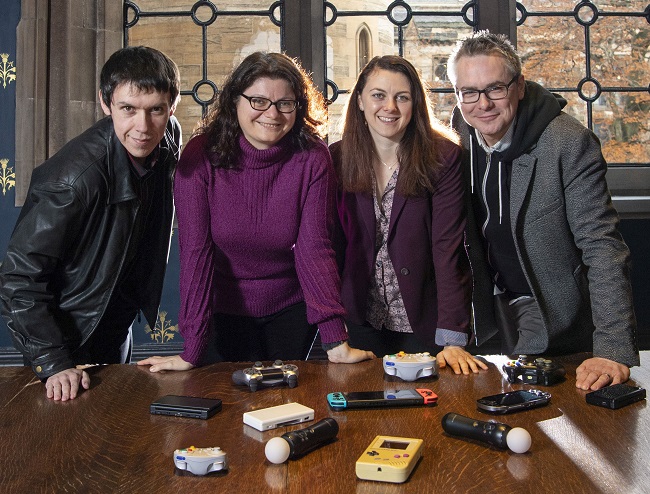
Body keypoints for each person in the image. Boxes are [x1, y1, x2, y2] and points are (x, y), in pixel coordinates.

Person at [138, 52, 373, 374]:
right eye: (259, 101)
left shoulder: (312, 158)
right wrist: (191, 350)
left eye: (284, 103)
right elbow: (195, 253)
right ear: (235, 101)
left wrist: (335, 341)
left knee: (282, 406)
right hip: (221, 308)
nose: (272, 114)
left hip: (290, 307)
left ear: (298, 107)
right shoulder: (201, 156)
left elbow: (314, 248)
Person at [446, 31, 639, 390]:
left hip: (552, 310)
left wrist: (612, 348)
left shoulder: (568, 143)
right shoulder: (460, 129)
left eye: (495, 89)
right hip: (486, 307)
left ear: (519, 86)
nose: (482, 103)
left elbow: (603, 247)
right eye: (468, 92)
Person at [0, 46, 182, 401]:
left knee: (116, 435)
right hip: (66, 337)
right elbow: (17, 277)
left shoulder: (169, 136)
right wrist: (52, 361)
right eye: (128, 109)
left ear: (171, 107)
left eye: (155, 110)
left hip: (115, 320)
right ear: (105, 102)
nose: (142, 127)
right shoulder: (71, 179)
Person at [330, 55, 488, 375]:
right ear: (360, 100)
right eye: (378, 95)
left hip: (423, 322)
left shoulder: (443, 158)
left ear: (415, 104)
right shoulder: (336, 158)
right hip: (359, 320)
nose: (389, 106)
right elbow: (327, 248)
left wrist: (453, 338)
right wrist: (331, 329)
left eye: (402, 97)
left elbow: (449, 250)